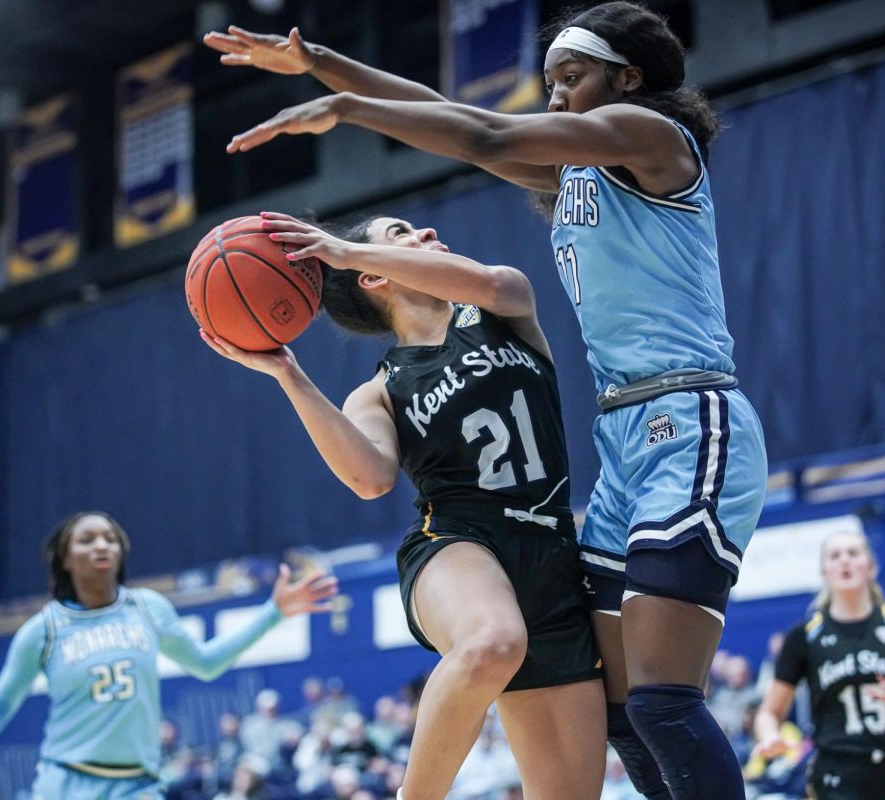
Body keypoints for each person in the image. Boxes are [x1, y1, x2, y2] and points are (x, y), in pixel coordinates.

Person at [205, 3, 769, 797]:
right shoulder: (572, 181)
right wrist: (325, 64)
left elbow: (485, 135)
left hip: (691, 415)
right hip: (616, 445)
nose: (556, 98)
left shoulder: (652, 138)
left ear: (628, 78)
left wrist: (346, 112)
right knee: (627, 712)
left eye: (571, 78)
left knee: (663, 700)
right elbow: (446, 113)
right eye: (549, 84)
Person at [201, 212, 607, 800]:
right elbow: (370, 479)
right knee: (491, 641)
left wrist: (348, 251)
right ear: (371, 277)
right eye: (400, 234)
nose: (425, 234)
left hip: (552, 554)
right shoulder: (378, 390)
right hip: (459, 540)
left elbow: (494, 284)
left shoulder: (500, 301)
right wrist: (289, 375)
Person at [0, 511, 337, 800]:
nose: (101, 544)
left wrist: (274, 613)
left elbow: (206, 662)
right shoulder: (43, 629)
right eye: (87, 539)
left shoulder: (149, 608)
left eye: (110, 538)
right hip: (65, 781)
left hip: (138, 785)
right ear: (65, 558)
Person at [753, 529, 885, 800]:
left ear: (871, 567)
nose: (844, 560)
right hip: (838, 774)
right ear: (824, 572)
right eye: (835, 555)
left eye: (853, 553)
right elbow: (769, 712)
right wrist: (770, 736)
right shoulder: (804, 636)